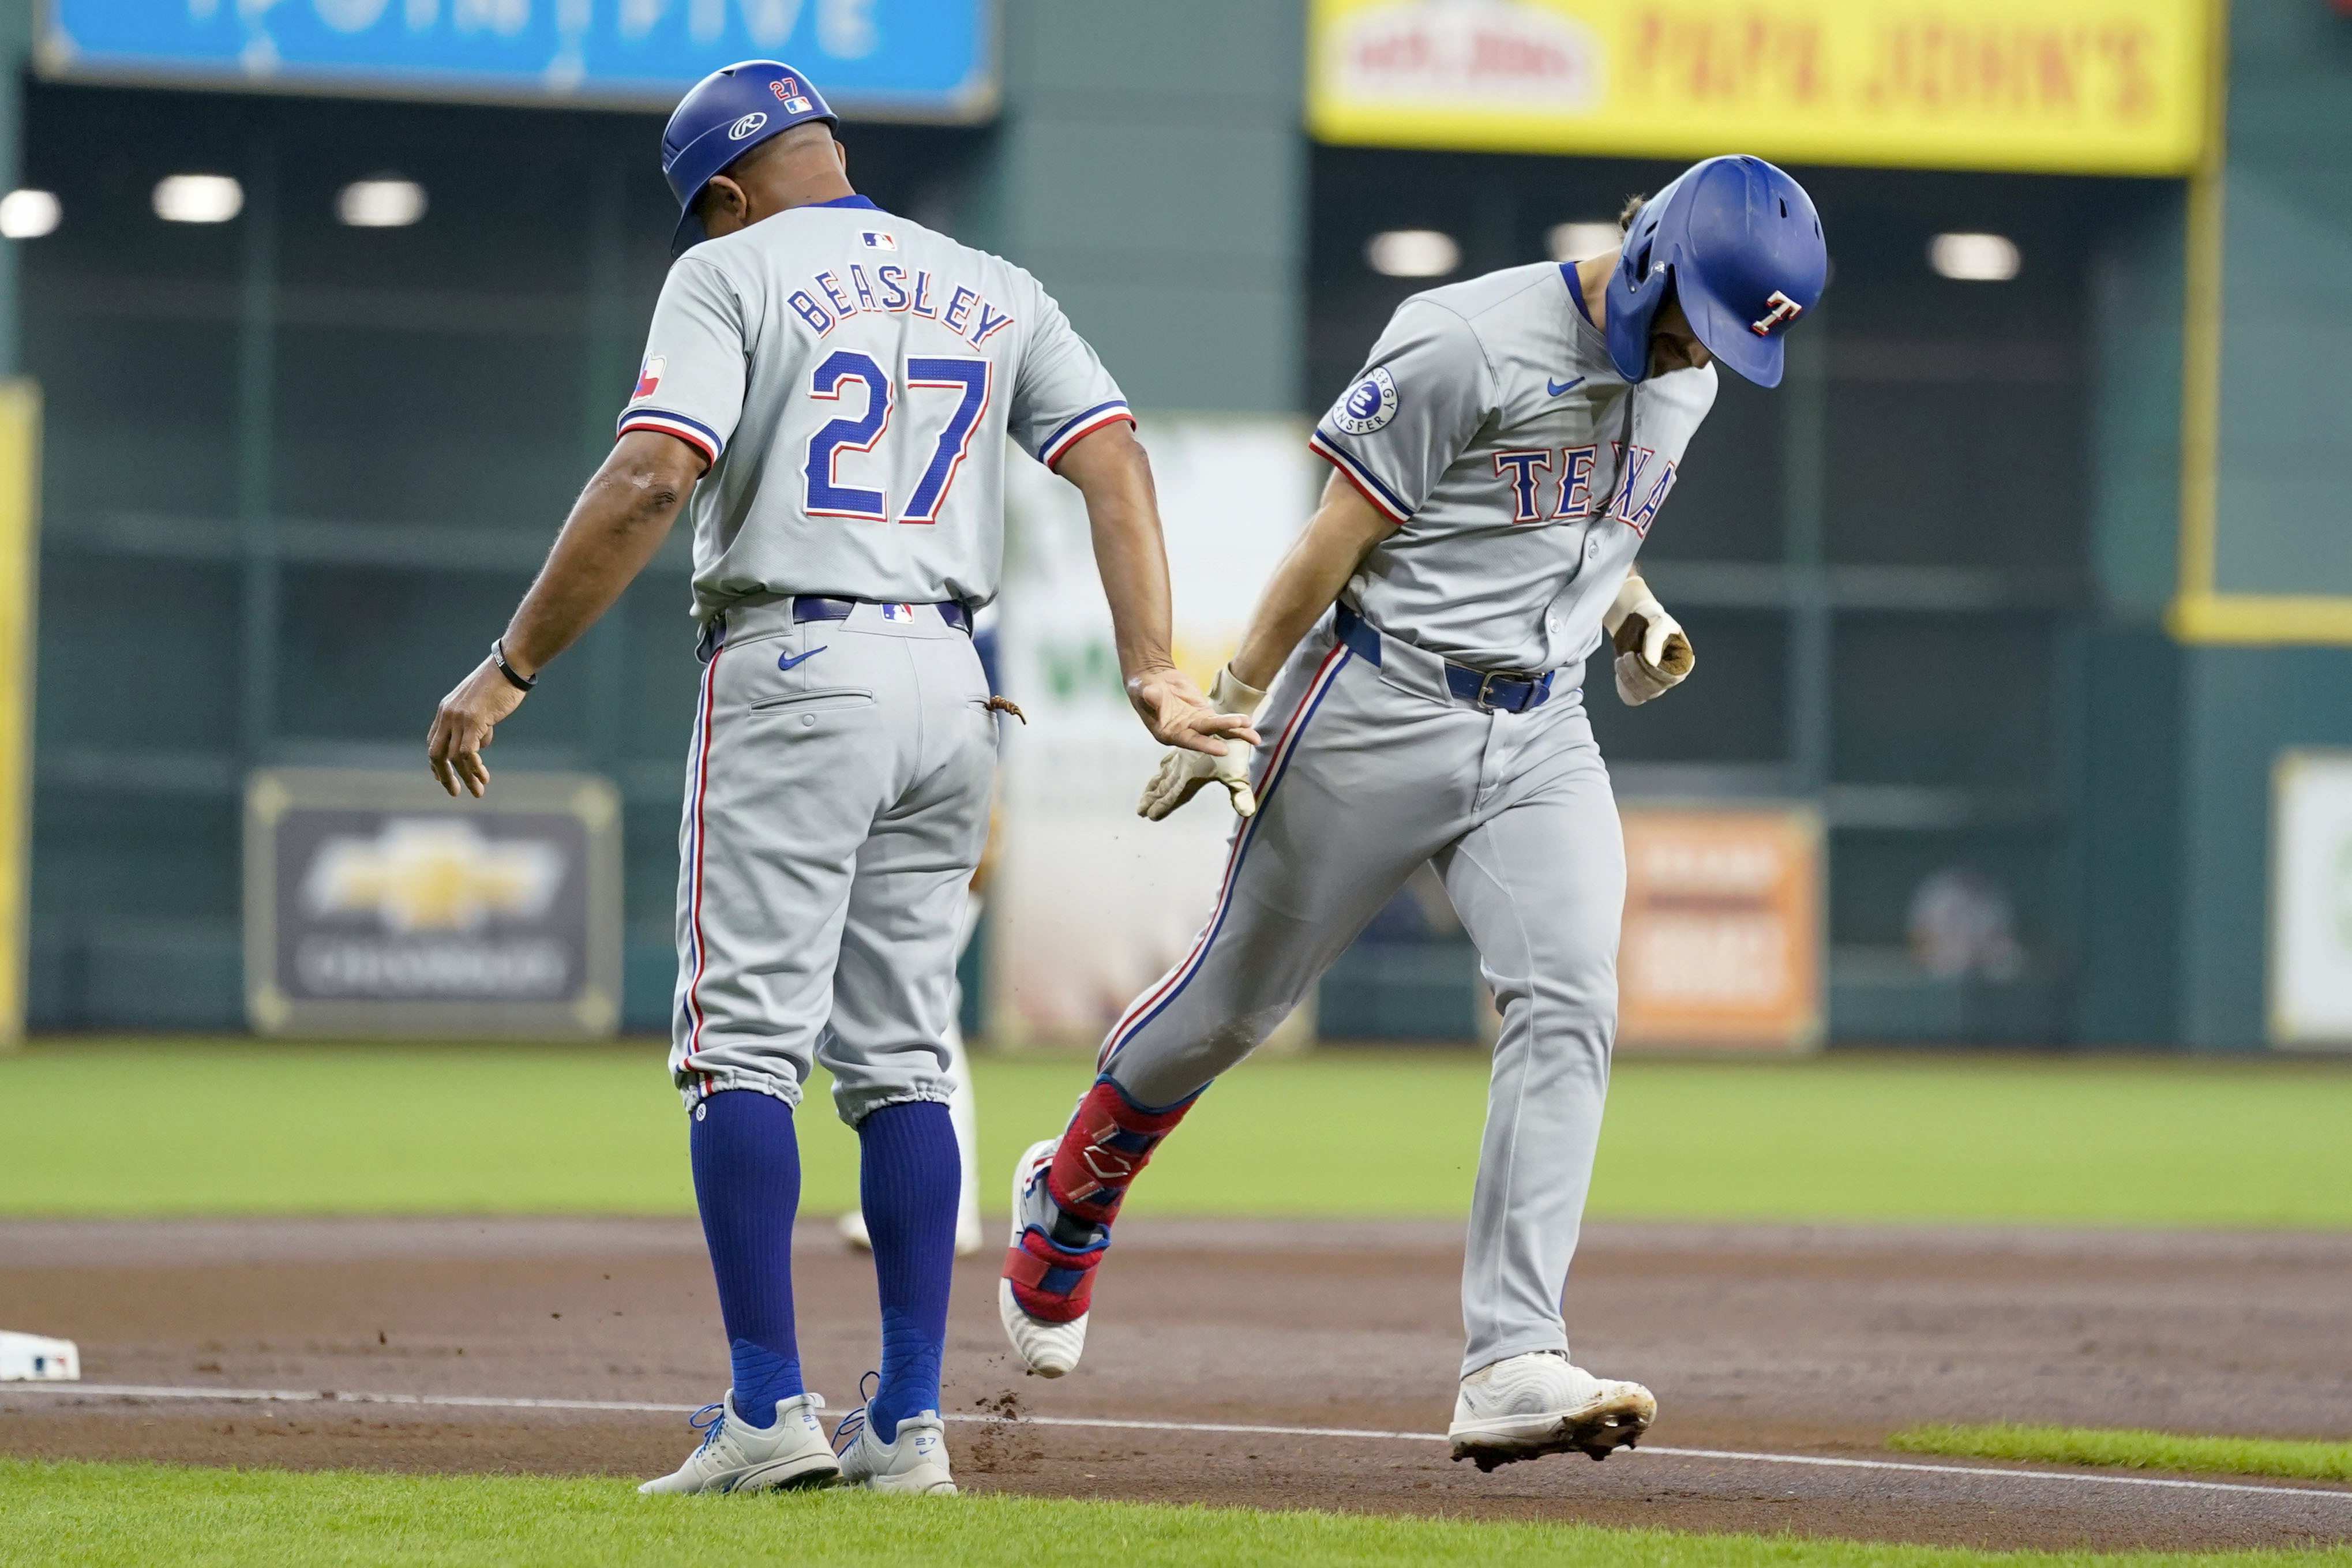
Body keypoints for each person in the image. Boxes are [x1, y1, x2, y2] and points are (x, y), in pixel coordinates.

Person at [424, 60, 1250, 1496]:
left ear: (726, 196)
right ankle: (911, 1427)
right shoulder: (991, 280)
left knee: (740, 1046)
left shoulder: (731, 271)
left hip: (794, 663)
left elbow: (647, 481)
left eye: (701, 213)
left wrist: (508, 664)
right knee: (905, 1055)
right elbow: (1112, 462)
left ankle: (762, 1411)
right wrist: (1148, 666)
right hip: (952, 677)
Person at [995, 156, 1827, 1471]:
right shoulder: (1463, 338)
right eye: (1692, 316)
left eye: (1723, 337)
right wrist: (1233, 698)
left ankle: (1509, 1356)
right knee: (1228, 1010)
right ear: (1655, 251)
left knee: (1569, 998)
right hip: (1379, 702)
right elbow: (1334, 537)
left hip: (1546, 728)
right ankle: (1073, 1182)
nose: (1691, 349)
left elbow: (1580, 520)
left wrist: (1631, 609)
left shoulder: (1694, 378)